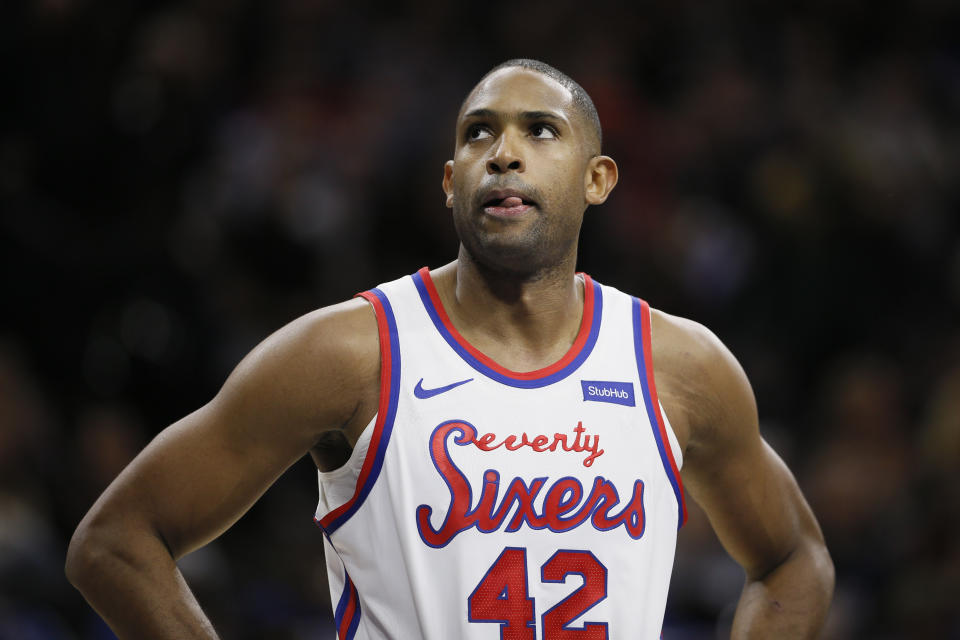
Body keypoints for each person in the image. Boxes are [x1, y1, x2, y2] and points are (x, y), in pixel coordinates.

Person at [66, 59, 834, 639]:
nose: (503, 152)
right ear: (448, 180)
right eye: (478, 133)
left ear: (598, 179)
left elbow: (795, 561)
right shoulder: (349, 352)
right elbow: (115, 541)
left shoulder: (680, 366)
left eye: (540, 130)